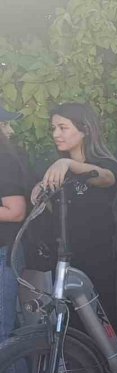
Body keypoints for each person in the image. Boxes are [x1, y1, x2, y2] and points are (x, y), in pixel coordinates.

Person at [29, 103, 117, 329]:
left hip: (103, 263)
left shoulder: (105, 165)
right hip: (66, 263)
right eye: (53, 128)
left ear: (85, 129)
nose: (56, 134)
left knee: (106, 327)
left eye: (63, 127)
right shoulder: (56, 171)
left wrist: (68, 163)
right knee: (71, 329)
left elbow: (107, 177)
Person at [0, 105, 27, 343]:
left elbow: (16, 211)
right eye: (4, 124)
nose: (9, 131)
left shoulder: (4, 159)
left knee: (2, 333)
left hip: (5, 252)